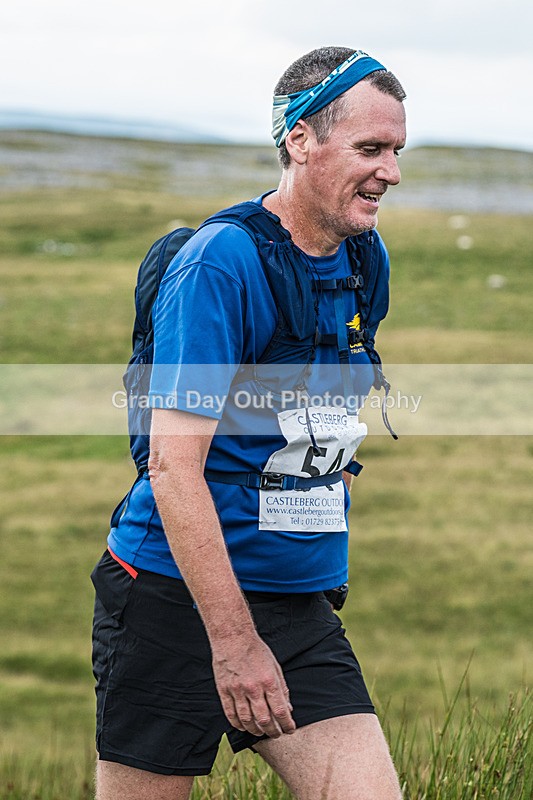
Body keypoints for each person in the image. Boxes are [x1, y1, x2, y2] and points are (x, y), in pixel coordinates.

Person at [91, 46, 406, 800]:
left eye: (396, 150)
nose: (390, 171)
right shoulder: (219, 265)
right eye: (369, 148)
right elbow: (173, 468)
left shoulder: (364, 260)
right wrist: (232, 648)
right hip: (172, 599)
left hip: (294, 607)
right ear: (299, 139)